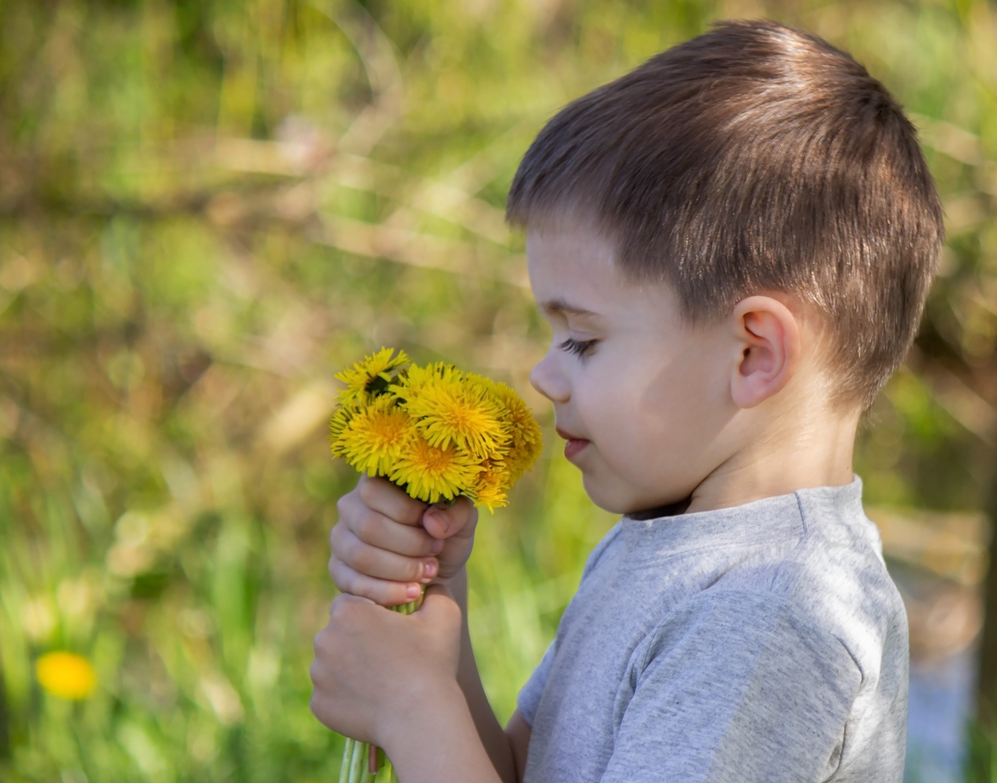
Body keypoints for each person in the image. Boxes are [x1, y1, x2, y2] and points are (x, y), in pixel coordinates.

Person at [309, 18, 943, 783]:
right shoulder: (663, 547)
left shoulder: (772, 614)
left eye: (583, 340)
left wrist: (411, 709)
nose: (544, 375)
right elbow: (520, 770)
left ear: (753, 353)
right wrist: (438, 616)